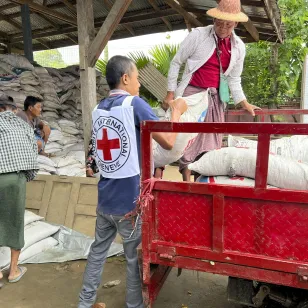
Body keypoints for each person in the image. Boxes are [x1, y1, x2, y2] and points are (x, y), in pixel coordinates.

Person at [78, 55, 186, 308]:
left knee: (97, 252)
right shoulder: (134, 104)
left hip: (105, 199)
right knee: (133, 260)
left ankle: (84, 303)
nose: (139, 84)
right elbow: (168, 142)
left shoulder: (97, 109)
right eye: (137, 78)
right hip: (130, 204)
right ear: (125, 78)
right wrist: (177, 111)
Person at [163, 0, 261, 181]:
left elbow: (234, 79)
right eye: (219, 22)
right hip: (192, 94)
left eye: (228, 24)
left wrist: (244, 102)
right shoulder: (198, 36)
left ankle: (203, 178)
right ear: (214, 18)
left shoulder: (239, 47)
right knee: (188, 138)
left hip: (215, 99)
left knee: (211, 141)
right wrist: (170, 93)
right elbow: (176, 62)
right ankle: (186, 180)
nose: (223, 27)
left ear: (236, 23)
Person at [0, 94, 38, 288]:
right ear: (13, 109)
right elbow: (33, 153)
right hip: (16, 179)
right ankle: (13, 271)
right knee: (15, 222)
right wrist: (25, 177)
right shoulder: (24, 126)